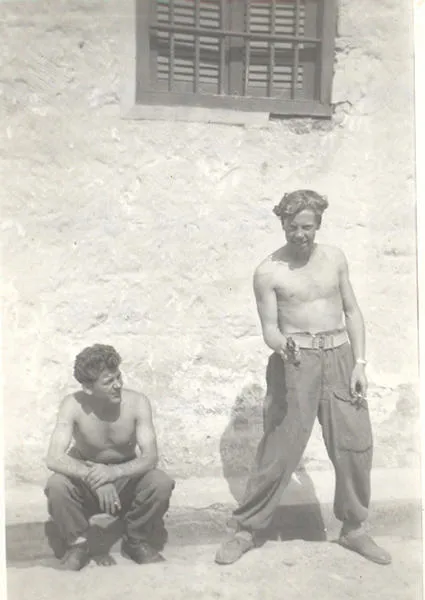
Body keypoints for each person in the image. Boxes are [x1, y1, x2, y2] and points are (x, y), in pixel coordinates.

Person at [215, 190, 391, 566]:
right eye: (292, 227)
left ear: (318, 225)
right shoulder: (268, 272)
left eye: (307, 227)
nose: (300, 234)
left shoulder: (336, 259)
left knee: (355, 445)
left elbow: (353, 311)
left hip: (341, 358)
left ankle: (355, 529)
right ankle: (246, 529)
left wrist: (360, 363)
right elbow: (269, 329)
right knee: (280, 450)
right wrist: (284, 348)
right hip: (295, 361)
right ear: (282, 224)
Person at [45, 344, 174, 571]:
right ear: (88, 388)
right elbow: (54, 458)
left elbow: (150, 457)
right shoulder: (72, 405)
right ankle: (79, 545)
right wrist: (96, 478)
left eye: (119, 377)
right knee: (56, 485)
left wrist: (114, 472)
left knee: (160, 483)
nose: (118, 385)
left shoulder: (137, 403)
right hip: (87, 475)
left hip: (125, 476)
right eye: (108, 382)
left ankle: (136, 540)